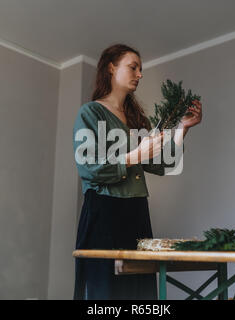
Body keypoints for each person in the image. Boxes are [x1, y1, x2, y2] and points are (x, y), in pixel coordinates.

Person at [72, 43, 202, 300]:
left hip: (137, 212)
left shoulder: (137, 121)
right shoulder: (90, 112)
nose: (140, 74)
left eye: (140, 69)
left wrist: (182, 129)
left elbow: (165, 164)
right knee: (106, 293)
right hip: (103, 212)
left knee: (140, 289)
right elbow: (88, 167)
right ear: (111, 67)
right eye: (133, 67)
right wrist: (134, 156)